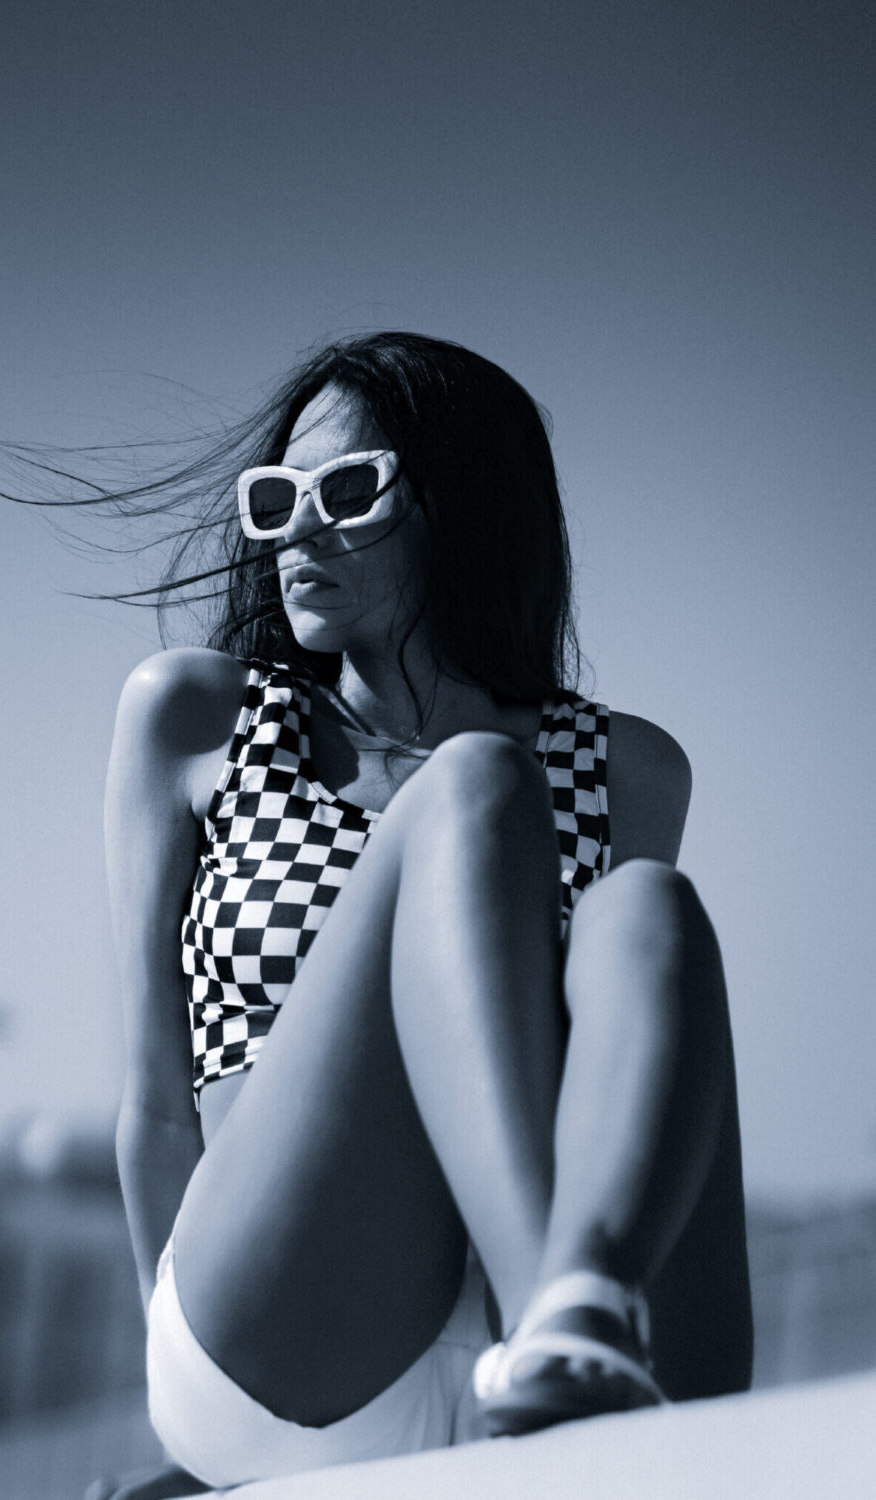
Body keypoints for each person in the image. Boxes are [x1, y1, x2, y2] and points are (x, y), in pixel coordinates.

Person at [92, 334, 751, 1496]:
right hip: (286, 1338)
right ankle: (561, 1317)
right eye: (275, 499)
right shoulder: (202, 722)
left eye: (347, 493)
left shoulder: (631, 771)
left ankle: (574, 1311)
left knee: (648, 908)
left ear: (460, 508)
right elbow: (154, 1100)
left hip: (528, 1350)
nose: (298, 529)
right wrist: (185, 1432)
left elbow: (613, 1054)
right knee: (480, 787)